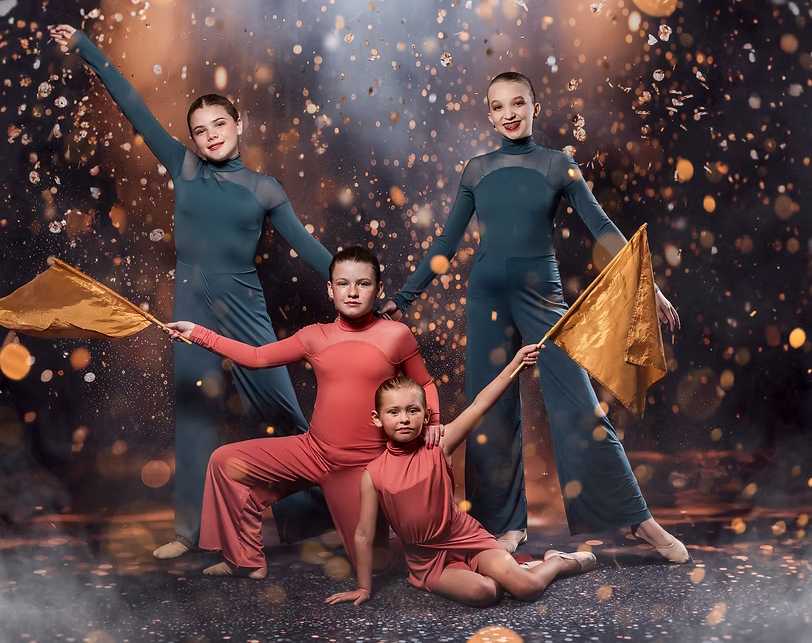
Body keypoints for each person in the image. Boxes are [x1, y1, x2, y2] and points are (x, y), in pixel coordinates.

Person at [49, 24, 335, 558]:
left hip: (245, 307)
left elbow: (308, 247)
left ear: (238, 125)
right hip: (190, 303)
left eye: (219, 124)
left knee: (281, 416)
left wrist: (356, 284)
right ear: (194, 139)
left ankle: (316, 521)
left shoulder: (264, 188)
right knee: (195, 414)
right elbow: (132, 106)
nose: (210, 136)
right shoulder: (184, 167)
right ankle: (191, 533)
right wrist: (87, 49)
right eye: (200, 130)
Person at [380, 72, 688, 562]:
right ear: (489, 114)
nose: (509, 113)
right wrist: (405, 297)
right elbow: (445, 245)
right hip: (485, 296)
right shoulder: (476, 169)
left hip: (540, 295)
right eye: (499, 106)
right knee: (491, 409)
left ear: (535, 107)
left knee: (579, 409)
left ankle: (637, 521)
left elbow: (600, 225)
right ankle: (503, 526)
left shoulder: (557, 164)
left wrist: (645, 283)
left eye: (518, 103)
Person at [166, 247, 442, 577]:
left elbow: (424, 383)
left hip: (362, 467)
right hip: (312, 451)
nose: (352, 292)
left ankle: (451, 548)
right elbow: (256, 357)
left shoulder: (397, 335)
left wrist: (434, 421)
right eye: (342, 283)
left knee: (375, 565)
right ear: (330, 289)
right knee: (226, 462)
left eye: (363, 284)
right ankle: (245, 562)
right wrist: (198, 333)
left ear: (379, 289)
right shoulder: (314, 336)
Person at [326, 346, 596, 607]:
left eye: (412, 410)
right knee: (486, 592)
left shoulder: (439, 445)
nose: (404, 419)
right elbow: (363, 534)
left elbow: (479, 405)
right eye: (394, 412)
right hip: (427, 559)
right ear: (377, 418)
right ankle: (517, 567)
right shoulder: (373, 474)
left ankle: (558, 561)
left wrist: (514, 365)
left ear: (426, 415)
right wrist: (363, 587)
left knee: (526, 589)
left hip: (467, 538)